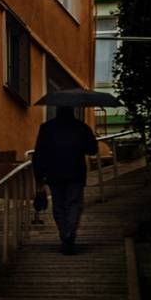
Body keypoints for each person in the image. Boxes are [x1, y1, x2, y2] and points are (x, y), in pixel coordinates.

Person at [32, 106, 99, 254]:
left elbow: (38, 154)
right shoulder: (81, 127)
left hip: (54, 173)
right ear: (73, 110)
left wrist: (39, 178)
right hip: (76, 173)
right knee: (74, 204)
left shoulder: (47, 128)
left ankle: (64, 234)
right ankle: (69, 233)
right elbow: (93, 149)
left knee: (59, 206)